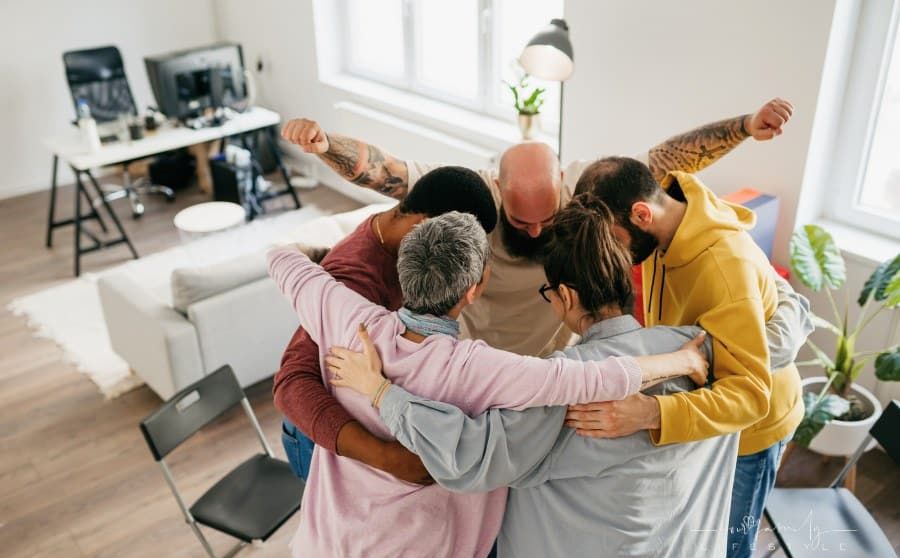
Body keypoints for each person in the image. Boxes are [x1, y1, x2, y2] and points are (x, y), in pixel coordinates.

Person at [276, 99, 798, 488]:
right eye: (521, 221)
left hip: (547, 379)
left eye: (547, 219)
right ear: (497, 193)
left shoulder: (583, 193)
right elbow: (392, 174)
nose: (534, 232)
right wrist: (326, 146)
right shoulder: (472, 200)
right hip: (473, 378)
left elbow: (660, 163)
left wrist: (746, 127)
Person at [322, 199, 813, 558]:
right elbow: (790, 321)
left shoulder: (557, 390)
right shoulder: (710, 351)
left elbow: (464, 458)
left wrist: (381, 392)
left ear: (565, 298)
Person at [267, 212, 709, 558]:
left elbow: (280, 256)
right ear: (475, 288)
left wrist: (328, 263)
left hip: (319, 557)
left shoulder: (345, 317)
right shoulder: (477, 369)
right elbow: (590, 378)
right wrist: (681, 359)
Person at [568, 157, 803, 558]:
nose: (613, 251)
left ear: (641, 214)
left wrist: (653, 412)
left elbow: (751, 395)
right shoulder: (673, 219)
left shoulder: (720, 267)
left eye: (613, 239)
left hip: (752, 433)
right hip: (707, 414)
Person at [275, 166, 497, 482]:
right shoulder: (354, 281)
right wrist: (386, 457)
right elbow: (292, 381)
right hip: (319, 438)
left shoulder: (395, 238)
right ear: (424, 225)